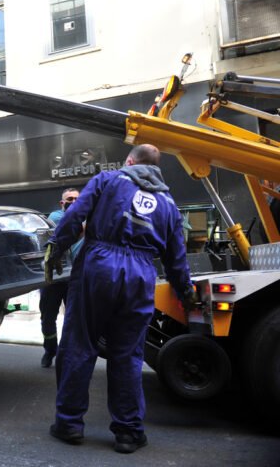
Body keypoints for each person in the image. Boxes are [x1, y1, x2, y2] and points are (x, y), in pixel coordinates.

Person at [43, 144, 194, 454]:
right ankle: (128, 432)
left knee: (79, 344)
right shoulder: (168, 203)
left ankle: (70, 423)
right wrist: (185, 292)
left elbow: (75, 215)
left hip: (99, 266)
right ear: (156, 169)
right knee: (127, 354)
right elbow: (176, 257)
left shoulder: (108, 180)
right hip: (140, 274)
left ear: (130, 161)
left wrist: (56, 247)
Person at [39, 188, 83, 368]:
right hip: (54, 279)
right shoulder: (56, 217)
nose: (73, 202)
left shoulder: (86, 217)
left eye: (76, 199)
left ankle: (67, 353)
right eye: (69, 199)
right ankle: (50, 350)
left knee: (73, 319)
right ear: (62, 203)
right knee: (48, 317)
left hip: (75, 279)